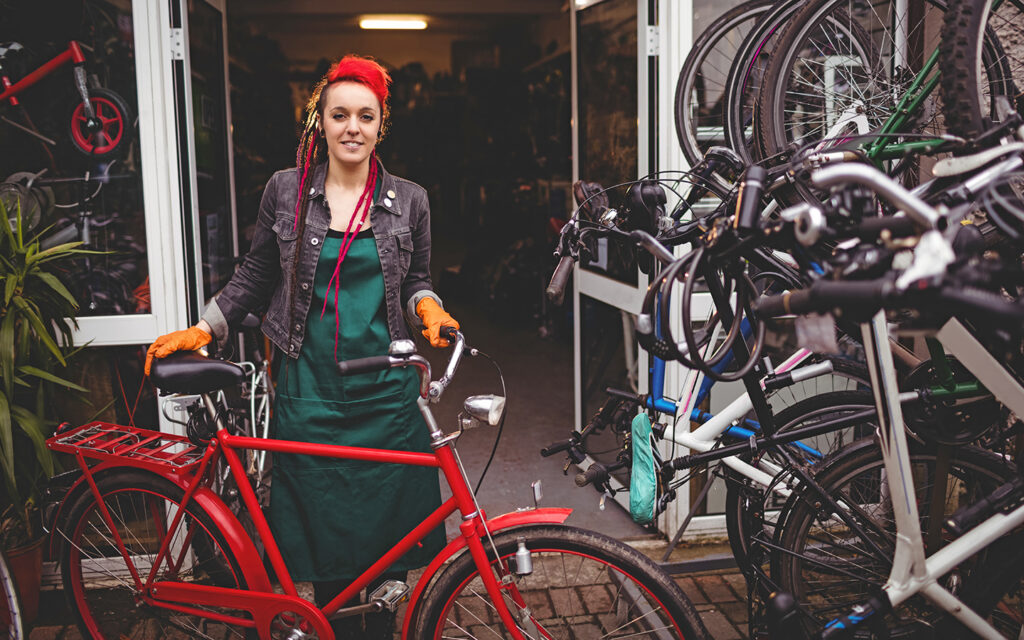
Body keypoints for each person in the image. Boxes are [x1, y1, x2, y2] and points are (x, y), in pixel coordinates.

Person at [144, 54, 459, 638]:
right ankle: (333, 621)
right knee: (324, 526)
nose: (352, 128)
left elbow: (416, 281)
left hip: (387, 393)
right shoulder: (285, 191)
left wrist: (428, 308)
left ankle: (378, 621)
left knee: (388, 535)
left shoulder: (410, 200)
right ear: (319, 119)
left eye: (366, 116)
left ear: (381, 124)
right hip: (308, 385)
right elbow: (255, 274)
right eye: (339, 114)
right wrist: (206, 326)